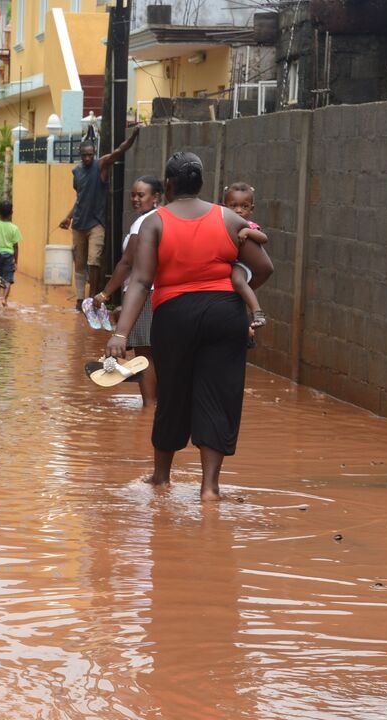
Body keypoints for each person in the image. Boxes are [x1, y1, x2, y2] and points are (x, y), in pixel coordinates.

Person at [107, 152, 272, 495]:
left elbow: (140, 280)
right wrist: (233, 294)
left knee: (173, 395)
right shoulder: (227, 218)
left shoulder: (155, 222)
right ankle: (209, 488)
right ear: (201, 185)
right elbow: (265, 267)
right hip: (225, 315)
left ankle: (160, 478)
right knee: (219, 395)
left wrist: (121, 332)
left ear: (167, 186)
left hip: (175, 316)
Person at [92, 175, 163, 406]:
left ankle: (150, 407)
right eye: (133, 194)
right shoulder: (162, 218)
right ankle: (160, 407)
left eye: (141, 195)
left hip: (145, 295)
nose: (135, 199)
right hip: (161, 293)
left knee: (144, 355)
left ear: (156, 197)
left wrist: (104, 294)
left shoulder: (143, 223)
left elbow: (127, 262)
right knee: (158, 354)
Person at [59, 127, 140, 307]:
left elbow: (120, 150)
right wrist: (68, 217)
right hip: (79, 223)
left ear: (94, 152)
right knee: (80, 264)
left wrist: (134, 135)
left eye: (90, 154)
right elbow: (80, 198)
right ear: (80, 154)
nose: (87, 158)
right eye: (84, 155)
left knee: (93, 261)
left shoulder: (101, 165)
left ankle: (91, 296)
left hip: (96, 223)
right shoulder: (77, 172)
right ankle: (80, 299)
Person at [221, 183, 270, 338]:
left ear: (251, 209)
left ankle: (257, 312)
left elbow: (264, 238)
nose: (239, 210)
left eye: (244, 206)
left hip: (242, 266)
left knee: (238, 280)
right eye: (233, 206)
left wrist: (248, 231)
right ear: (224, 207)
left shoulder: (249, 226)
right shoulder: (221, 224)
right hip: (227, 263)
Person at [0, 200, 21, 306]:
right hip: (9, 256)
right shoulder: (14, 228)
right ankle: (4, 299)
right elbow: (16, 246)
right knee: (8, 279)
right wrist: (16, 261)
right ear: (11, 213)